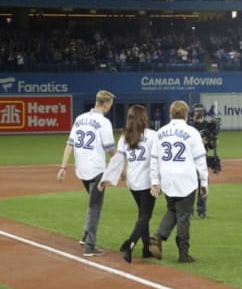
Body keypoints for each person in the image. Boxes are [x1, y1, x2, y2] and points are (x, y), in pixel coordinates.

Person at [57, 90, 116, 257]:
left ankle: (85, 236)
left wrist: (63, 167)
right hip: (96, 170)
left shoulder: (80, 119)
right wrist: (121, 167)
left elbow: (70, 144)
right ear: (105, 104)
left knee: (92, 204)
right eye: (110, 104)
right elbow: (110, 149)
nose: (110, 107)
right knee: (95, 207)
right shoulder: (104, 122)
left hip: (81, 170)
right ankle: (90, 245)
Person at [149, 100, 209, 263]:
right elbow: (200, 160)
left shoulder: (160, 132)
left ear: (170, 114)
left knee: (173, 209)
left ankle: (158, 236)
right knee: (184, 215)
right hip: (186, 179)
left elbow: (154, 159)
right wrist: (204, 182)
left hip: (167, 179)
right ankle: (183, 253)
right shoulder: (192, 132)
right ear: (186, 114)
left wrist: (155, 181)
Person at [98, 104, 157, 263]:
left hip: (132, 182)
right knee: (146, 215)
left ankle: (146, 249)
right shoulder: (152, 135)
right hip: (147, 181)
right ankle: (130, 244)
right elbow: (157, 160)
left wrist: (105, 178)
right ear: (144, 118)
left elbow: (117, 160)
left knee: (142, 215)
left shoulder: (125, 137)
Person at [188, 103, 210, 219]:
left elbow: (212, 145)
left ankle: (201, 210)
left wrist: (210, 141)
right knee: (190, 186)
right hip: (189, 161)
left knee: (203, 183)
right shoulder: (189, 127)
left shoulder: (208, 125)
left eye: (200, 111)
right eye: (197, 111)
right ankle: (189, 210)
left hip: (202, 159)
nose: (198, 113)